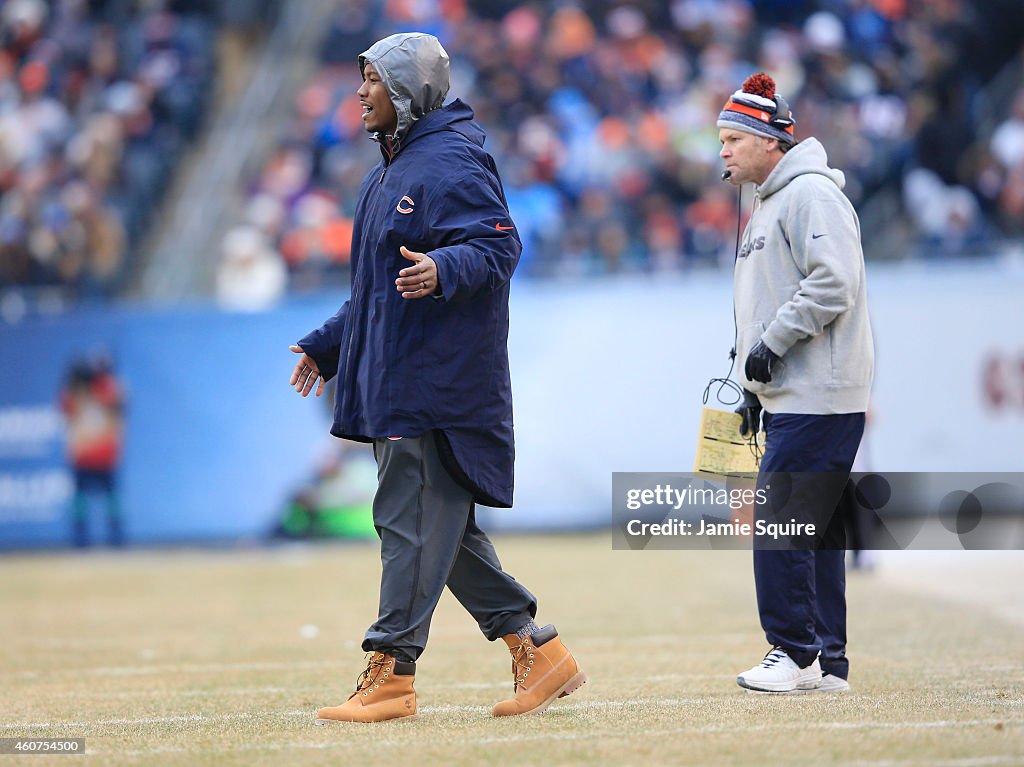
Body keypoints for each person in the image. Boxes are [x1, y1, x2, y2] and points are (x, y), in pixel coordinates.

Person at [288, 32, 586, 724]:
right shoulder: (387, 171)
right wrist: (328, 345)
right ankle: (537, 651)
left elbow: (499, 244)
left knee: (406, 521)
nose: (359, 94)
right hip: (399, 377)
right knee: (440, 532)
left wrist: (445, 269)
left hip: (434, 384)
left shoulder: (450, 160)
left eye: (372, 82)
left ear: (406, 93)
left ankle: (392, 672)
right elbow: (374, 291)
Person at [719, 73, 874, 693]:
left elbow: (834, 282)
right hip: (797, 393)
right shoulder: (769, 203)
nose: (723, 151)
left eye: (733, 138)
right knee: (819, 531)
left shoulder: (810, 194)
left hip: (819, 393)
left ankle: (794, 652)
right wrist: (755, 388)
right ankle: (827, 661)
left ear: (768, 141)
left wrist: (771, 346)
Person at [59, 354, 126, 547]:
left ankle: (116, 538)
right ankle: (81, 539)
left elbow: (117, 414)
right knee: (81, 497)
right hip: (83, 455)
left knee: (112, 496)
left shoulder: (110, 390)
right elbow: (69, 417)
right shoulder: (73, 394)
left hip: (104, 454)